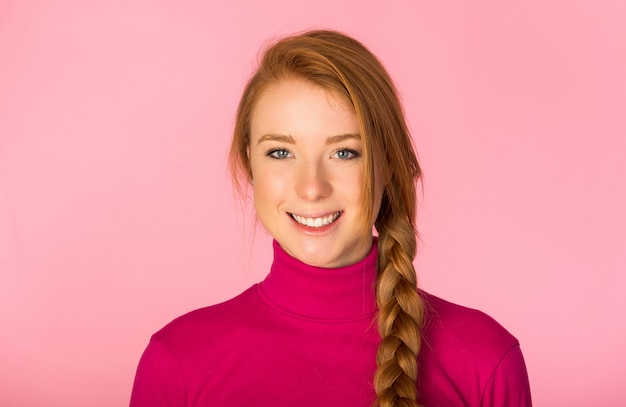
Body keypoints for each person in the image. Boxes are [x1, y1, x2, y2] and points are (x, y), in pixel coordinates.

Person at [130, 30, 532, 407]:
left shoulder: (486, 360)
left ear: (388, 165)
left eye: (344, 153)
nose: (311, 188)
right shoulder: (176, 362)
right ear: (248, 165)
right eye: (280, 152)